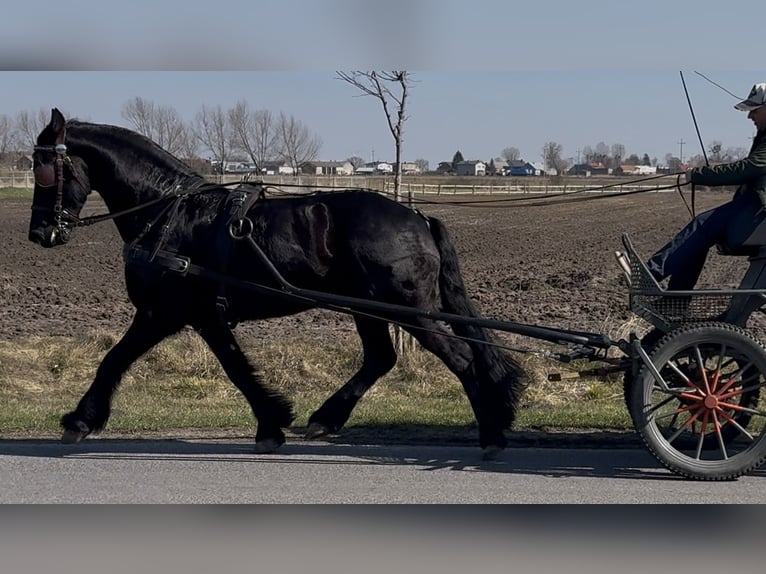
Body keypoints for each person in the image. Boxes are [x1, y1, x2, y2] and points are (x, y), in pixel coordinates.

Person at [644, 82, 766, 290]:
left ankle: (650, 274)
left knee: (702, 225)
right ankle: (675, 303)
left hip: (759, 211)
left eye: (754, 110)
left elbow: (748, 168)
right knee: (698, 238)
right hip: (755, 206)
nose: (750, 116)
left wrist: (699, 174)